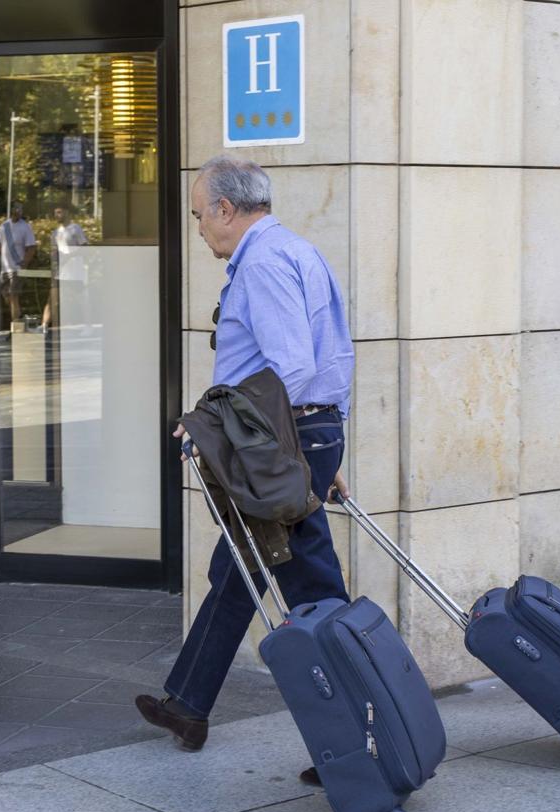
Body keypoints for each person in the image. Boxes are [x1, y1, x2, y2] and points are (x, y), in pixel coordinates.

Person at [135, 156, 356, 776]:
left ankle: (359, 737)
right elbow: (331, 362)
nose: (200, 228)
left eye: (202, 215)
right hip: (300, 439)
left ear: (227, 210)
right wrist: (323, 449)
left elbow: (292, 369)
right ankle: (189, 703)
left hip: (282, 444)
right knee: (239, 565)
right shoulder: (297, 251)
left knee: (312, 592)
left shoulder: (259, 263)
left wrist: (211, 423)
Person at [43, 203, 88, 333]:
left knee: (81, 298)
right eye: (55, 213)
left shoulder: (75, 228)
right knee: (52, 298)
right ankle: (44, 325)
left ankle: (87, 326)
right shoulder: (56, 232)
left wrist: (69, 256)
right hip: (60, 271)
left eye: (59, 212)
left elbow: (84, 247)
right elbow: (54, 252)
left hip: (74, 271)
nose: (57, 215)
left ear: (67, 212)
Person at [0, 202, 36, 326]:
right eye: (16, 208)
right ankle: (19, 316)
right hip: (5, 269)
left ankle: (16, 326)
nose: (18, 211)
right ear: (11, 210)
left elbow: (31, 247)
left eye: (20, 209)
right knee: (7, 297)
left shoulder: (25, 227)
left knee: (13, 296)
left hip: (17, 268)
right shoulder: (3, 227)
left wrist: (25, 263)